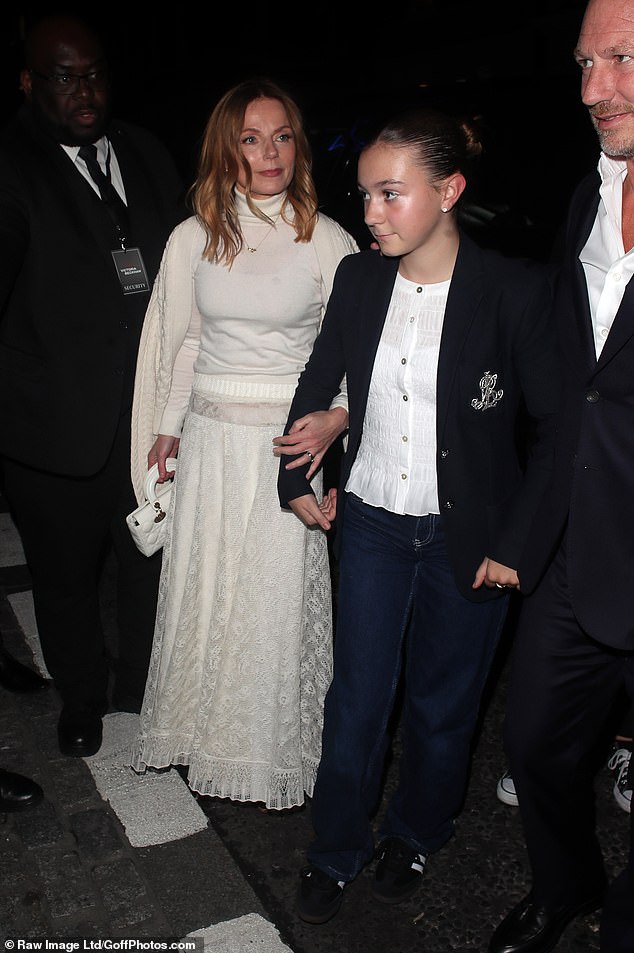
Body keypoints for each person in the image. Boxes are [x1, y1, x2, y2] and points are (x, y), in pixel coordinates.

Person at [274, 107, 560, 924]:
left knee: (444, 704)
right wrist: (297, 474)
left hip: (467, 538)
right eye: (364, 194)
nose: (369, 212)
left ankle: (417, 831)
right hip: (370, 524)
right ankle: (336, 847)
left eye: (389, 194)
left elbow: (557, 427)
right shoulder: (360, 280)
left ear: (449, 190)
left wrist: (518, 541)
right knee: (358, 698)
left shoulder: (513, 289)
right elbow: (319, 376)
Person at [130, 78, 358, 811]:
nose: (270, 152)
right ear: (227, 148)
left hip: (288, 448)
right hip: (209, 443)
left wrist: (340, 416)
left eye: (283, 135)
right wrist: (167, 428)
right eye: (252, 138)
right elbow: (184, 342)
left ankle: (267, 753)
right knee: (207, 594)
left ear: (300, 143)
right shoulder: (193, 235)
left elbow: (362, 348)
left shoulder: (326, 238)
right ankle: (199, 736)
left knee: (271, 605)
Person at [487, 1, 634, 951]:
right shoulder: (588, 190)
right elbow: (573, 373)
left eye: (620, 58)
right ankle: (567, 880)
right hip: (578, 535)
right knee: (535, 737)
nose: (593, 89)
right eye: (584, 63)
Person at [0, 15, 186, 759]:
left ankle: (138, 691)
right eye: (66, 77)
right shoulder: (9, 163)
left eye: (97, 73)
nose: (87, 91)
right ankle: (82, 695)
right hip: (50, 426)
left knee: (150, 561)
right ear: (30, 83)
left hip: (148, 418)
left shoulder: (144, 150)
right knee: (65, 577)